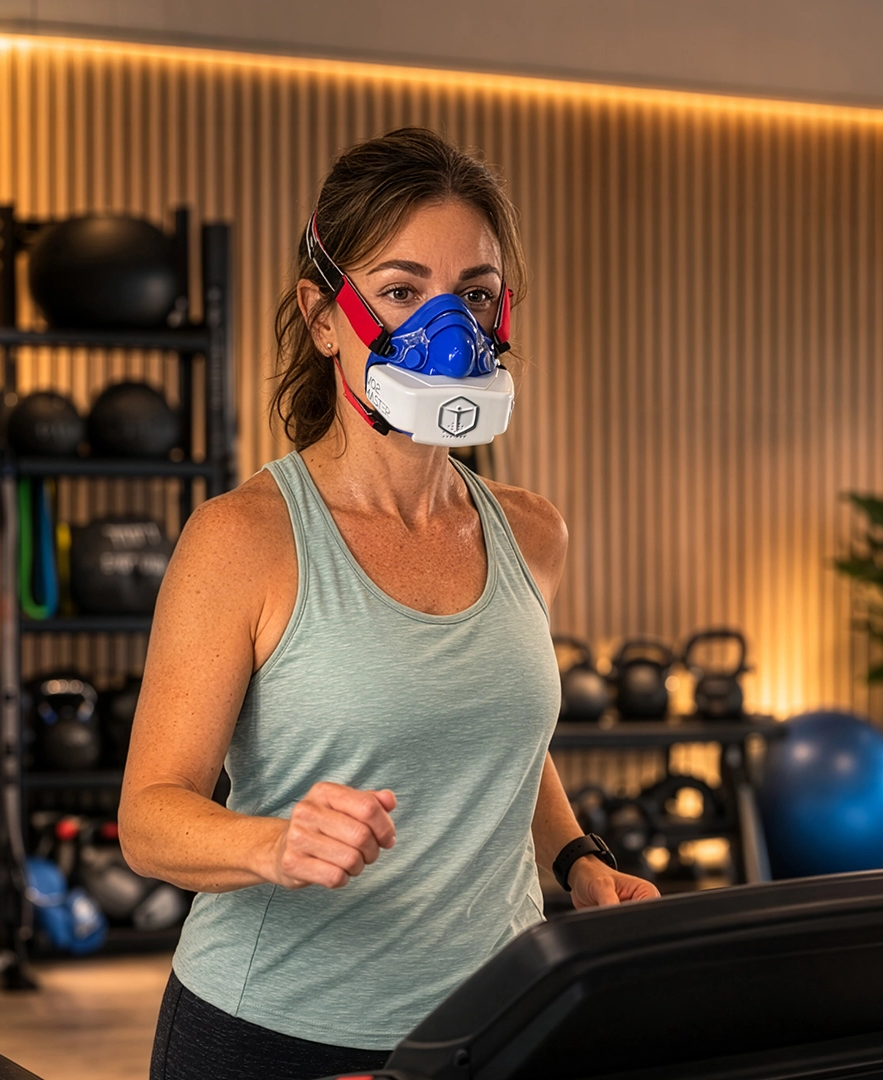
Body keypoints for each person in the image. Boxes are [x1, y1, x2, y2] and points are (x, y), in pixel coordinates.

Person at [119, 128, 658, 1080]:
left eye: (474, 295)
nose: (446, 329)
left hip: (500, 1021)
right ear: (324, 316)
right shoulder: (243, 538)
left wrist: (576, 855)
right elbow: (150, 818)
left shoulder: (533, 533)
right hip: (275, 1035)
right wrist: (274, 844)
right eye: (402, 291)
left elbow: (497, 735)